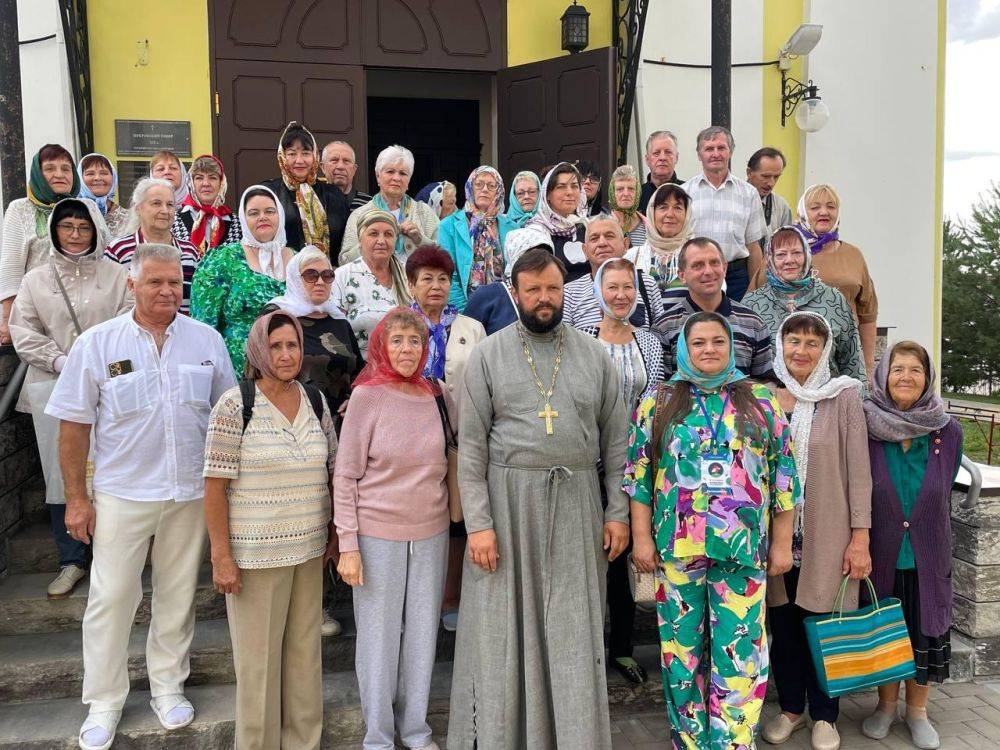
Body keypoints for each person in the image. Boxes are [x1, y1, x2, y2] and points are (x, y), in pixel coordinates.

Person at [45, 243, 236, 750]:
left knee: (176, 595)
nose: (167, 291)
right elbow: (73, 428)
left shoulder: (206, 340)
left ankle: (168, 685)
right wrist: (77, 500)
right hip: (122, 493)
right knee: (111, 598)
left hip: (189, 493)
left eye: (174, 283)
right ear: (132, 285)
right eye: (155, 282)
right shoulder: (97, 344)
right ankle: (104, 701)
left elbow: (227, 418)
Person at [447, 248, 630, 749]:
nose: (544, 299)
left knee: (573, 627)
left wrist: (617, 512)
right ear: (517, 293)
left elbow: (617, 441)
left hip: (577, 502)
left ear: (565, 291)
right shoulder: (489, 354)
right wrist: (479, 524)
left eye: (552, 288)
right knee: (506, 627)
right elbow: (472, 447)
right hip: (507, 508)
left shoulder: (594, 355)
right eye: (533, 290)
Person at [624, 310, 801, 750]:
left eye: (717, 342)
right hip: (678, 551)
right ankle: (689, 741)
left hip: (742, 552)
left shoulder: (761, 400)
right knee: (681, 656)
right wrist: (642, 540)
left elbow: (783, 479)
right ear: (684, 348)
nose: (708, 350)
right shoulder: (659, 402)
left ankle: (734, 742)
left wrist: (782, 545)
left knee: (739, 655)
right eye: (698, 342)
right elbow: (639, 477)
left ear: (731, 348)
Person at [203, 310, 337, 750]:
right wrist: (221, 557)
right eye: (276, 346)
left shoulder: (315, 401)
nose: (286, 354)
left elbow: (334, 470)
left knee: (304, 658)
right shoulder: (235, 404)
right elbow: (215, 487)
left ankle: (304, 742)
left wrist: (334, 534)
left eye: (293, 345)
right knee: (258, 666)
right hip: (255, 557)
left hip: (310, 550)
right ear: (259, 351)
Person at [335, 307, 454, 750]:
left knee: (422, 633)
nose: (408, 349)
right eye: (398, 340)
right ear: (382, 346)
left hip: (431, 530)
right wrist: (348, 544)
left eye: (416, 341)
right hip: (377, 533)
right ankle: (378, 736)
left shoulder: (437, 394)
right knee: (379, 636)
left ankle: (416, 729)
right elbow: (345, 475)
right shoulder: (367, 396)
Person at [9, 198, 131, 600]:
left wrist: (107, 372)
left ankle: (111, 557)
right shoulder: (36, 280)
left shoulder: (117, 275)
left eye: (83, 226)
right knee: (63, 473)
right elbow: (23, 331)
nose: (76, 234)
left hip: (110, 386)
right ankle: (71, 559)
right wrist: (61, 361)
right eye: (67, 227)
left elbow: (130, 328)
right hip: (55, 383)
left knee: (112, 467)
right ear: (54, 231)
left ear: (95, 229)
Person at [760, 312, 872, 750]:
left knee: (824, 627)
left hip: (828, 534)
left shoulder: (843, 395)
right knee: (783, 626)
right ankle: (791, 709)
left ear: (825, 350)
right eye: (794, 341)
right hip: (778, 537)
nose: (801, 350)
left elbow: (859, 471)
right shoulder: (765, 396)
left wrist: (860, 537)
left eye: (812, 342)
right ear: (780, 344)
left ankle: (825, 715)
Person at [860, 342, 963, 750]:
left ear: (928, 377)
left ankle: (917, 712)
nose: (906, 377)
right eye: (897, 369)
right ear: (884, 376)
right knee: (886, 633)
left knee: (925, 630)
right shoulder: (867, 427)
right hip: (881, 549)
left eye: (915, 370)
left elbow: (945, 480)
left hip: (928, 551)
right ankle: (885, 706)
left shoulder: (947, 430)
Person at [580, 257, 664, 686]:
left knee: (626, 553)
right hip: (589, 464)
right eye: (612, 287)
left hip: (636, 462)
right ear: (598, 291)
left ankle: (624, 650)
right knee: (592, 556)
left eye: (628, 288)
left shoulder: (649, 341)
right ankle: (589, 649)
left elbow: (655, 400)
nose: (621, 295)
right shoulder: (580, 340)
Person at [191, 185, 295, 373]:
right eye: (254, 213)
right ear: (243, 219)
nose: (262, 217)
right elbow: (203, 324)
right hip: (237, 372)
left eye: (270, 211)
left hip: (288, 368)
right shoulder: (223, 259)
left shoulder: (298, 260)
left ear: (280, 215)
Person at [743, 226, 867, 383]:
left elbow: (852, 361)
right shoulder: (752, 304)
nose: (789, 260)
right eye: (781, 255)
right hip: (769, 402)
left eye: (796, 253)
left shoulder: (834, 299)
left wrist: (858, 402)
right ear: (770, 259)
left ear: (807, 255)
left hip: (827, 400)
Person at [655, 237, 775, 380]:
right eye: (698, 265)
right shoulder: (665, 326)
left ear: (724, 268)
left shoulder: (753, 323)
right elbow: (662, 388)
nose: (708, 271)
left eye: (714, 263)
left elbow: (765, 383)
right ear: (682, 275)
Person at [793, 183, 878, 377]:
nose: (824, 212)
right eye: (815, 207)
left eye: (831, 207)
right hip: (797, 357)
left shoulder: (853, 255)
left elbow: (868, 314)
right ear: (802, 212)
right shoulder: (785, 254)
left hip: (844, 356)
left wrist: (868, 365)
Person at [267, 246, 363, 418]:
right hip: (289, 419)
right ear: (295, 278)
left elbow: (359, 372)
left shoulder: (339, 319)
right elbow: (259, 368)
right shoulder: (276, 316)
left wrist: (355, 399)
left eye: (327, 275)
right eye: (311, 275)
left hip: (338, 422)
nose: (320, 282)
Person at [0, 144, 80, 345]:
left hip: (81, 310)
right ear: (37, 174)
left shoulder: (84, 208)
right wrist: (8, 322)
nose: (59, 174)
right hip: (37, 312)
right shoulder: (20, 209)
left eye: (66, 168)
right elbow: (11, 268)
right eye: (50, 168)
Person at [682, 126, 767, 301]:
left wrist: (755, 291)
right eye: (709, 149)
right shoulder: (684, 193)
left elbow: (753, 246)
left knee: (737, 327)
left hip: (737, 278)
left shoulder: (749, 193)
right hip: (697, 275)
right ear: (699, 155)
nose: (715, 154)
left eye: (721, 148)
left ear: (731, 151)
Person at [104, 178, 201, 314]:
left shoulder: (190, 252)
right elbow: (109, 301)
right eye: (156, 203)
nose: (165, 210)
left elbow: (198, 302)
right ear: (138, 208)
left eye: (170, 205)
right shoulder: (118, 251)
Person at [331, 210, 412, 358]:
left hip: (406, 363)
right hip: (362, 367)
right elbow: (336, 332)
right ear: (360, 240)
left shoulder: (408, 274)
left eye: (388, 234)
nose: (381, 241)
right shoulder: (343, 276)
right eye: (373, 234)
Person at [340, 145, 440, 265]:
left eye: (403, 173)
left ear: (409, 179)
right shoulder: (360, 214)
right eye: (390, 171)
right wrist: (366, 242)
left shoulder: (424, 212)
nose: (396, 178)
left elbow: (444, 256)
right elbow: (344, 261)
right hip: (373, 282)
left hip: (415, 282)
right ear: (378, 176)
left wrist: (420, 240)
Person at [261, 121, 349, 256]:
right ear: (282, 156)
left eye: (306, 153)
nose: (299, 160)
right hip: (283, 273)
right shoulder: (269, 193)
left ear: (314, 156)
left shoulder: (333, 194)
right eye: (291, 154)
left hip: (327, 273)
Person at [564, 215, 663, 330]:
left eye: (609, 236)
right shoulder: (570, 293)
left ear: (625, 244)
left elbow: (661, 336)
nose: (602, 243)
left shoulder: (647, 284)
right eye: (594, 238)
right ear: (585, 251)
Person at [438, 166, 515, 311]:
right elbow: (448, 274)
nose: (484, 189)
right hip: (464, 309)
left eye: (491, 186)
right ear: (470, 188)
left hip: (504, 309)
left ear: (499, 192)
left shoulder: (511, 227)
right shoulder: (448, 226)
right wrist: (465, 312)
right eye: (479, 184)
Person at [463, 226, 551, 336]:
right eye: (531, 257)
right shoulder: (487, 296)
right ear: (515, 257)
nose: (540, 264)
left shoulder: (553, 295)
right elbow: (466, 342)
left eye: (546, 257)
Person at [625, 183, 695, 309]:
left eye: (678, 208)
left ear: (687, 214)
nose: (670, 214)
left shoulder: (698, 254)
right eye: (663, 207)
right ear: (652, 213)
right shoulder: (632, 257)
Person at [526, 162, 590, 282]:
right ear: (547, 195)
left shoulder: (588, 228)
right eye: (561, 186)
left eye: (575, 186)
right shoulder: (535, 234)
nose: (569, 192)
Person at [405, 244, 458, 380]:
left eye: (442, 279)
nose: (436, 286)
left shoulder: (472, 328)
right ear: (411, 286)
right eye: (427, 279)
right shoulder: (396, 326)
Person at [172, 154, 241, 254]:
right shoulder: (174, 220)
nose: (206, 183)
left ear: (221, 183)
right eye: (199, 178)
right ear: (191, 183)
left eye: (212, 178)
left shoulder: (235, 222)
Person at [746, 147, 792, 244]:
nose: (771, 183)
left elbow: (786, 245)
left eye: (776, 177)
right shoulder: (733, 200)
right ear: (749, 173)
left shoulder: (782, 206)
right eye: (765, 176)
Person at [78, 152, 130, 237]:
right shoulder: (69, 212)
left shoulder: (129, 219)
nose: (97, 178)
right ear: (79, 178)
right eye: (90, 174)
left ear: (113, 177)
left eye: (103, 173)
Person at [638, 130, 684, 213]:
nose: (662, 158)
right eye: (656, 153)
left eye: (668, 152)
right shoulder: (636, 196)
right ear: (647, 159)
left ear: (676, 158)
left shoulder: (688, 191)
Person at [320, 140, 371, 210]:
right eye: (334, 160)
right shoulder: (313, 202)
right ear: (323, 167)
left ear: (354, 169)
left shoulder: (369, 205)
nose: (340, 166)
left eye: (346, 161)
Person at [608, 164, 647, 247]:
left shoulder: (650, 228)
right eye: (620, 189)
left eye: (631, 189)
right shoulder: (602, 225)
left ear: (638, 192)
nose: (626, 194)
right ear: (612, 193)